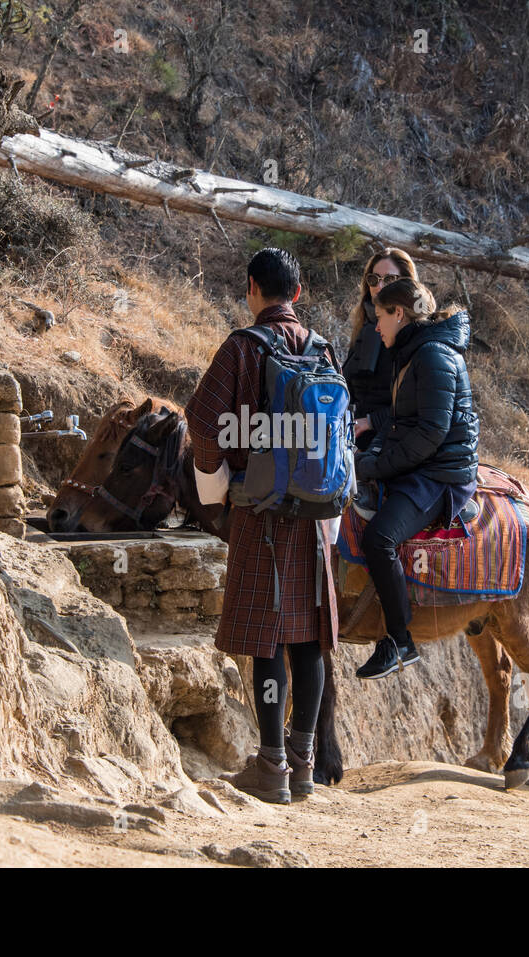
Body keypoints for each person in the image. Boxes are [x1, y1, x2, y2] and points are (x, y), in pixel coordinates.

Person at [184, 248, 340, 804]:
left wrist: (214, 482)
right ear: (296, 293)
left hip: (259, 510)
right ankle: (302, 765)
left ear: (253, 289)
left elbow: (203, 420)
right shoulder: (324, 350)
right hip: (318, 517)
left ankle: (270, 765)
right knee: (310, 638)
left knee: (267, 637)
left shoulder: (242, 348)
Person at [352, 278, 480, 680]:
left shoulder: (432, 355)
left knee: (380, 538)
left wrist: (374, 466)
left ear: (399, 314)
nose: (376, 327)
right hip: (423, 465)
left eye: (381, 318)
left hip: (441, 476)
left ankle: (398, 640)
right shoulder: (415, 352)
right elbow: (409, 421)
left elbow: (430, 434)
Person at [341, 248, 420, 452]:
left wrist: (370, 421)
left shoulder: (416, 333)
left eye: (390, 279)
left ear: (407, 283)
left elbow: (419, 404)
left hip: (393, 438)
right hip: (355, 432)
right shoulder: (365, 327)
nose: (380, 286)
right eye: (374, 279)